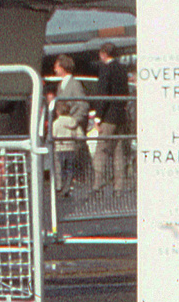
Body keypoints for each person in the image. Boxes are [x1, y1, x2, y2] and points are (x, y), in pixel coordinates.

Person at [91, 42, 130, 193]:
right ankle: (118, 187)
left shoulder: (105, 69)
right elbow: (125, 92)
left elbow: (103, 94)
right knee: (119, 152)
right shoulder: (122, 69)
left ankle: (97, 184)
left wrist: (97, 117)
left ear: (104, 53)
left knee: (101, 150)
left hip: (108, 116)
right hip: (120, 116)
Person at [49, 54, 89, 195]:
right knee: (62, 161)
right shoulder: (61, 85)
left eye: (56, 66)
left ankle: (69, 187)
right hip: (63, 133)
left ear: (63, 67)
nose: (54, 69)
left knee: (71, 161)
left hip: (70, 131)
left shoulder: (75, 84)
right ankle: (63, 187)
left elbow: (83, 105)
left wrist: (74, 122)